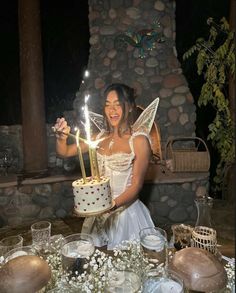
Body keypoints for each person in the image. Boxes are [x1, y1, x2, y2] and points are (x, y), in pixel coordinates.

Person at [54, 83, 156, 249]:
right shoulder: (98, 138)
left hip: (125, 216)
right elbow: (64, 152)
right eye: (108, 105)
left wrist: (111, 206)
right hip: (98, 214)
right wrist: (61, 137)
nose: (112, 110)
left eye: (117, 105)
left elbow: (136, 185)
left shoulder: (139, 141)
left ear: (129, 107)